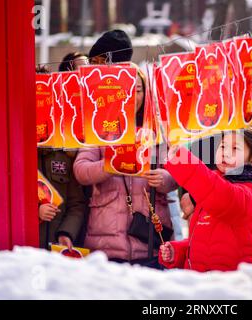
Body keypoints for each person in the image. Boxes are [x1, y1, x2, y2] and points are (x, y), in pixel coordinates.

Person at [74, 33, 177, 267]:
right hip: (106, 244)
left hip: (151, 239)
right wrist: (109, 166)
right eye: (127, 89)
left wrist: (165, 179)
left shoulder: (157, 128)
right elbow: (81, 171)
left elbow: (178, 171)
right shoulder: (99, 127)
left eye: (138, 89)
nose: (133, 95)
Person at [159, 128, 252, 272]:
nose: (226, 153)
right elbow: (206, 241)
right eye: (223, 146)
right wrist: (178, 252)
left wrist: (183, 161)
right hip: (202, 282)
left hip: (230, 283)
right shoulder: (215, 183)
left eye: (235, 148)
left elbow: (225, 198)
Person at [36, 65, 87, 250]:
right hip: (23, 250)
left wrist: (66, 233)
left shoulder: (65, 154)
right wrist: (36, 213)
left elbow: (77, 204)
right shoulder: (15, 155)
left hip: (56, 249)